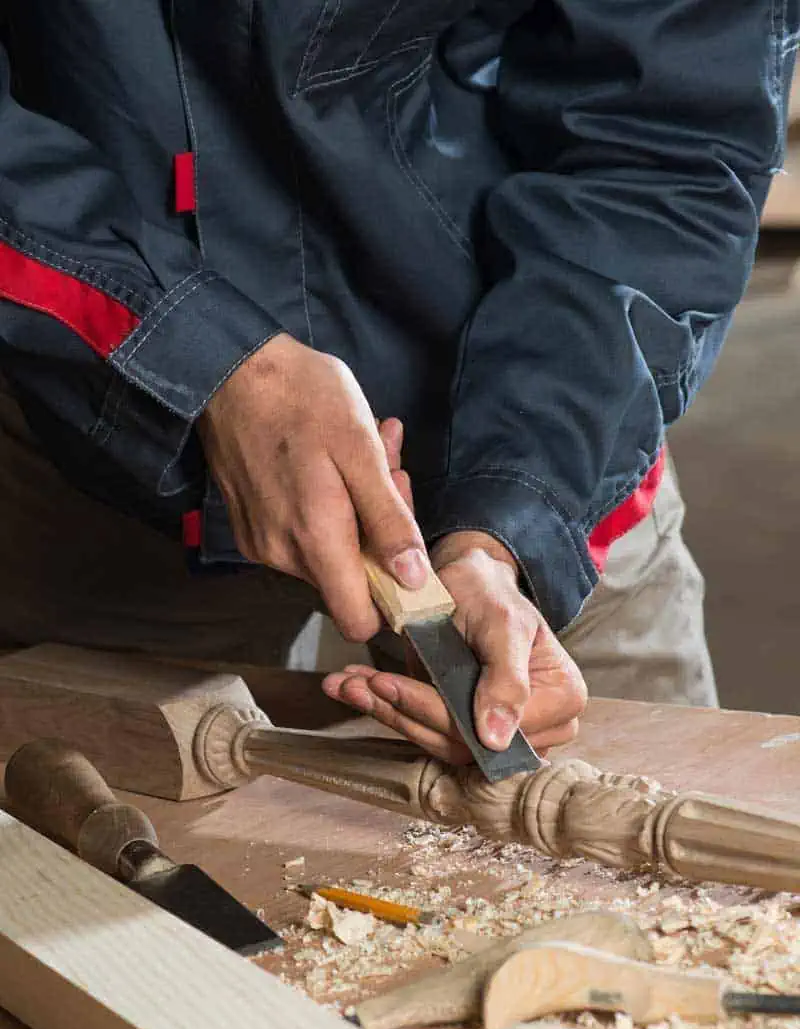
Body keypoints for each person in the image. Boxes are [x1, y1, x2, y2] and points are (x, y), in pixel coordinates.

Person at [0, 2, 794, 763]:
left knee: (658, 865)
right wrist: (199, 359)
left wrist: (515, 519)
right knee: (91, 867)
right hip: (93, 415)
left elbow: (670, 144)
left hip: (556, 419)